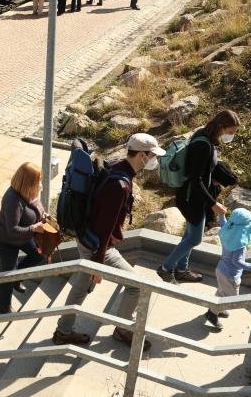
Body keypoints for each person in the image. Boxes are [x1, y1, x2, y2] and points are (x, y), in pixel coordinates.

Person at [52, 133, 166, 349]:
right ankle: (123, 329)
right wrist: (97, 265)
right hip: (97, 245)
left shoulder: (117, 166)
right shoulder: (119, 186)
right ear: (142, 155)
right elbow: (104, 228)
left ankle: (63, 331)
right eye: (152, 156)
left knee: (80, 287)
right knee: (137, 287)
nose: (154, 160)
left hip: (86, 236)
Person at [157, 110, 240, 283]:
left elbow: (201, 170)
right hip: (191, 198)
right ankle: (165, 268)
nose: (231, 136)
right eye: (230, 132)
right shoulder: (204, 144)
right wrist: (213, 204)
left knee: (189, 234)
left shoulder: (204, 134)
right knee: (195, 238)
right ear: (221, 127)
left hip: (192, 195)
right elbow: (196, 179)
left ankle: (181, 269)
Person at [0, 162, 46, 314]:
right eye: (38, 181)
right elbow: (12, 230)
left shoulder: (30, 191)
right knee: (9, 272)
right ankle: (3, 305)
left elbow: (37, 208)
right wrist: (34, 228)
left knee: (39, 255)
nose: (40, 184)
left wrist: (44, 217)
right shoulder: (12, 200)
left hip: (24, 235)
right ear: (28, 182)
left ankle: (17, 277)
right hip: (6, 240)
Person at [204, 208, 251, 330]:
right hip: (230, 275)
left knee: (222, 291)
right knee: (230, 298)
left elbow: (223, 222)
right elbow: (237, 261)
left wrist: (222, 214)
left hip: (221, 269)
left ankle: (218, 308)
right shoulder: (239, 245)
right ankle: (212, 313)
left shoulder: (228, 230)